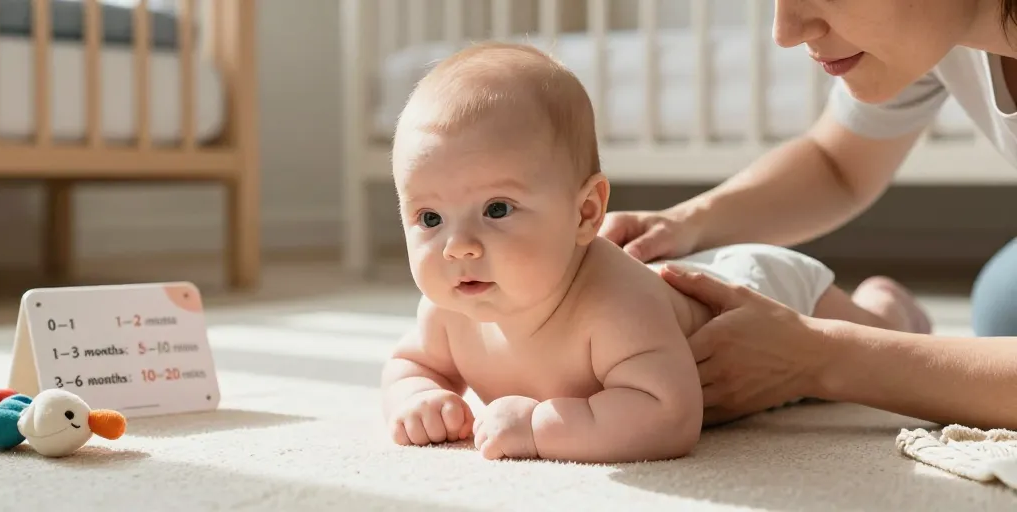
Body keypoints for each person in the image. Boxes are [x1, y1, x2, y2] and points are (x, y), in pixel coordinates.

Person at [380, 41, 934, 463]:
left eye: (497, 209)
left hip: (764, 291)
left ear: (586, 213)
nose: (458, 247)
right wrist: (416, 398)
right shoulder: (448, 311)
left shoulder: (614, 304)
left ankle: (890, 305)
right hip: (694, 275)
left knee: (879, 334)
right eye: (429, 218)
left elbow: (669, 414)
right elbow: (412, 364)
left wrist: (542, 427)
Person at [601, 0, 1017, 429]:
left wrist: (822, 357)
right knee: (1003, 304)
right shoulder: (943, 32)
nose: (785, 32)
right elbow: (836, 164)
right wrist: (688, 221)